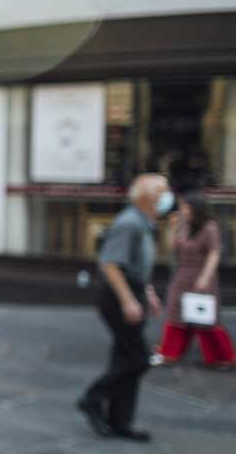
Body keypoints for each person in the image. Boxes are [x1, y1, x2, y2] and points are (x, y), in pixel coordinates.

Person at [78, 173, 170, 442]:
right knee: (138, 358)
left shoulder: (144, 223)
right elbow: (110, 264)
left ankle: (120, 421)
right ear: (146, 196)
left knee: (124, 357)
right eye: (162, 190)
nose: (166, 196)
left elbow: (136, 265)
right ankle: (92, 398)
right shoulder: (129, 223)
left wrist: (148, 293)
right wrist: (129, 300)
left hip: (133, 292)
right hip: (119, 297)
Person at [155, 191, 234, 368]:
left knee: (205, 317)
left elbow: (214, 253)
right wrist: (172, 228)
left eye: (185, 206)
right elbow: (171, 248)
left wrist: (205, 277)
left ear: (195, 208)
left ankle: (221, 356)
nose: (182, 210)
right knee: (175, 314)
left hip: (201, 274)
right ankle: (170, 352)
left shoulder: (209, 227)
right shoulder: (184, 226)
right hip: (183, 275)